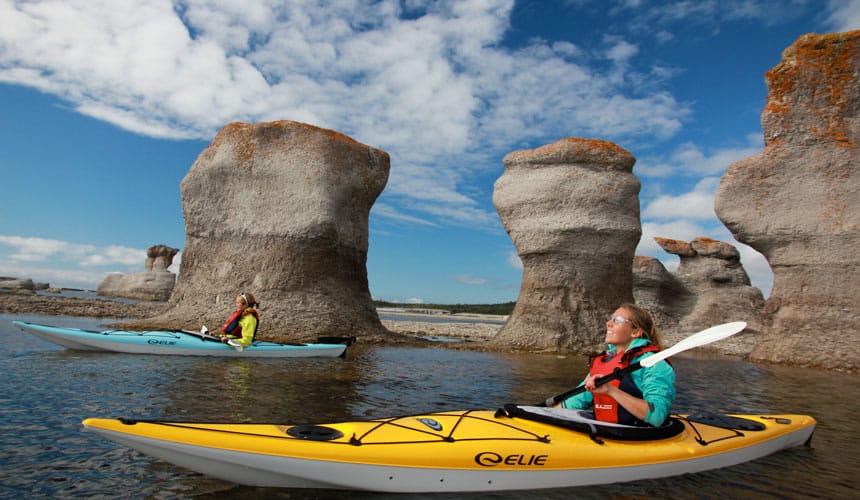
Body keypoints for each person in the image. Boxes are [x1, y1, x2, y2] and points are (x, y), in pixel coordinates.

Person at [557, 303, 675, 427]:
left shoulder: (655, 364)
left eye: (617, 320)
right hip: (607, 432)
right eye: (611, 319)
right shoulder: (606, 362)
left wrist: (611, 390)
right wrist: (546, 413)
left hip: (642, 434)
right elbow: (574, 402)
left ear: (635, 332)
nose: (608, 323)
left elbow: (657, 416)